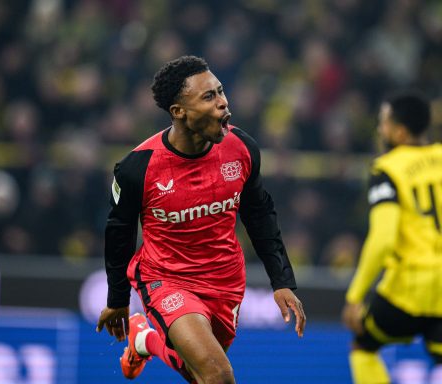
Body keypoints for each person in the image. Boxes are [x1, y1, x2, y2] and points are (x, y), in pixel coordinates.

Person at [96, 55, 306, 384]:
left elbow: (260, 214)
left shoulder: (242, 149)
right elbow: (119, 232)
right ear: (179, 112)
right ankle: (146, 336)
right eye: (209, 97)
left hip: (225, 282)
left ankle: (144, 341)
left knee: (196, 373)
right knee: (218, 374)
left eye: (221, 92)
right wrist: (117, 300)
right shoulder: (138, 168)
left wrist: (281, 281)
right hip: (167, 279)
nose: (223, 103)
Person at [342, 91, 442, 383]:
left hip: (409, 288)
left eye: (383, 123)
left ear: (399, 131)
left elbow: (383, 239)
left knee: (363, 345)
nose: (379, 129)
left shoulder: (388, 169)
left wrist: (355, 296)